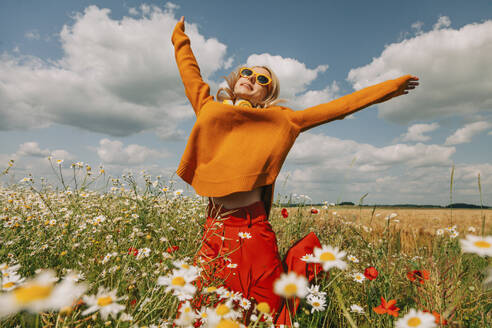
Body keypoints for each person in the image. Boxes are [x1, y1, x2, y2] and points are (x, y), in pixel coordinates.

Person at [171, 16, 419, 326]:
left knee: (267, 313)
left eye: (263, 80)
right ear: (236, 80)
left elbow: (338, 108)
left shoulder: (281, 121)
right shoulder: (209, 108)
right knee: (200, 309)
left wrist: (389, 89)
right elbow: (189, 74)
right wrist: (179, 38)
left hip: (254, 231)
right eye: (247, 72)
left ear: (267, 95)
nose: (252, 78)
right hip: (214, 229)